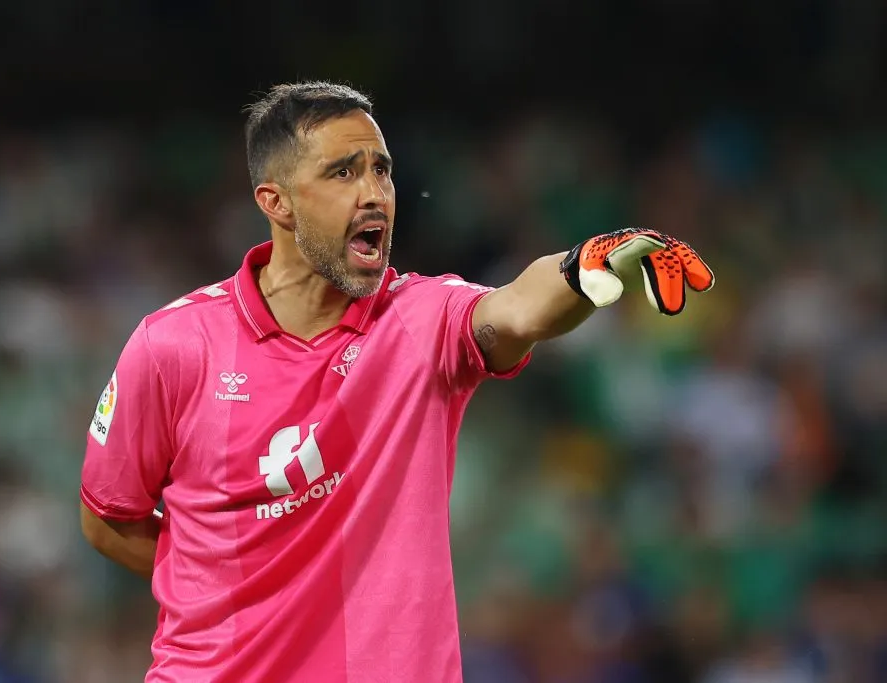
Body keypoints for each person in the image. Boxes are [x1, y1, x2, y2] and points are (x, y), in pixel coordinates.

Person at [79, 81, 714, 683]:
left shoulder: (421, 321)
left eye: (381, 169)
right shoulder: (173, 346)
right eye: (342, 172)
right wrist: (234, 581)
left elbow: (516, 308)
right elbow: (107, 519)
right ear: (275, 201)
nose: (374, 193)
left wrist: (584, 265)